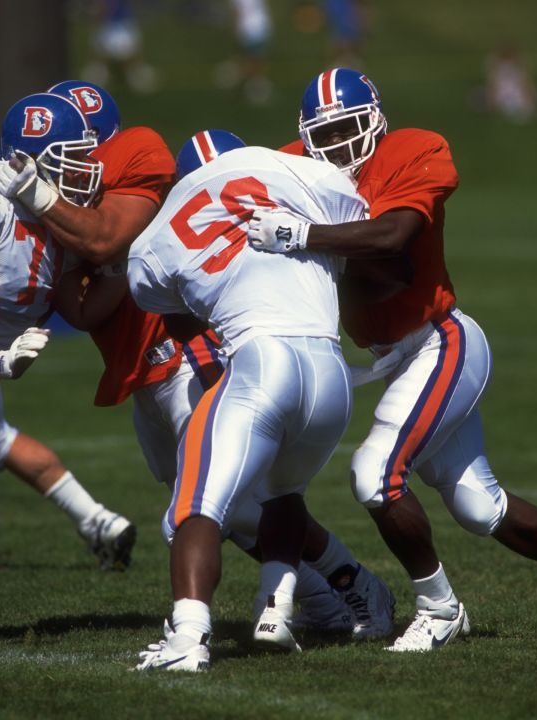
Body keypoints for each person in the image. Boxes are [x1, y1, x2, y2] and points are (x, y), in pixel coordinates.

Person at [249, 68, 537, 651]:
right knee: (480, 508)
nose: (339, 146)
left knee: (374, 474)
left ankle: (440, 607)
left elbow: (393, 239)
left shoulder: (414, 149)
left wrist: (303, 235)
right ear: (304, 136)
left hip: (440, 341)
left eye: (350, 128)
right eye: (324, 135)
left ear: (375, 120)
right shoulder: (290, 162)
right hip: (385, 356)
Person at [127, 143, 370, 672]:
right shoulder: (301, 173)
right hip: (331, 372)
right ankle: (275, 612)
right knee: (285, 495)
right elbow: (364, 230)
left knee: (196, 508)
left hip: (262, 361)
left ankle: (188, 638)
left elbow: (171, 310)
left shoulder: (157, 233)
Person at [0, 92, 136, 570]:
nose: (83, 171)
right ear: (26, 162)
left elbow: (80, 312)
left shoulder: (56, 223)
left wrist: (118, 267)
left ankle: (95, 520)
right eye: (69, 160)